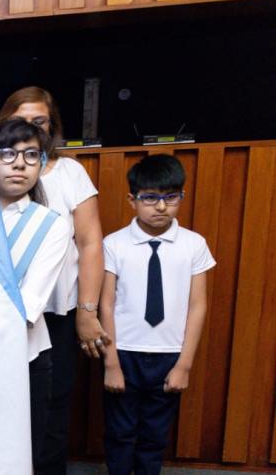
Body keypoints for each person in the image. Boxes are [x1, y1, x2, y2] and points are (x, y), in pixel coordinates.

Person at [0, 86, 109, 474]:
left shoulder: (70, 172)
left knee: (52, 401)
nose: (30, 128)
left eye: (39, 122)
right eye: (21, 121)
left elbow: (91, 243)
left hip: (56, 308)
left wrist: (88, 310)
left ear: (52, 126)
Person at [100, 154, 214, 475]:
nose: (161, 207)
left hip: (169, 355)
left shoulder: (193, 244)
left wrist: (185, 365)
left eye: (170, 197)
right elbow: (105, 304)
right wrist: (111, 363)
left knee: (153, 437)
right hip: (124, 353)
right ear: (132, 199)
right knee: (120, 434)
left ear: (181, 196)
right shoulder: (114, 244)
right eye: (150, 197)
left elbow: (198, 305)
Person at [0, 119, 70, 467]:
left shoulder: (51, 224)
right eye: (8, 153)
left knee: (20, 459)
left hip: (24, 357)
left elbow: (28, 303)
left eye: (31, 154)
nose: (19, 163)